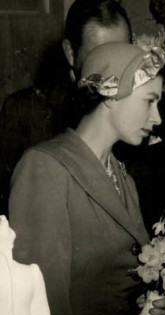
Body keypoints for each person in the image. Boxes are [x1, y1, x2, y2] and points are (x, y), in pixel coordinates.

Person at [9, 42, 165, 315]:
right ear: (111, 95)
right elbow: (42, 300)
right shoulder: (44, 166)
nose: (157, 117)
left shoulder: (122, 176)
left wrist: (152, 307)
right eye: (149, 101)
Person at [0, 0, 132, 216]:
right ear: (70, 53)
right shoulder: (25, 111)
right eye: (98, 57)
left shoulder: (157, 109)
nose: (113, 72)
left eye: (123, 54)